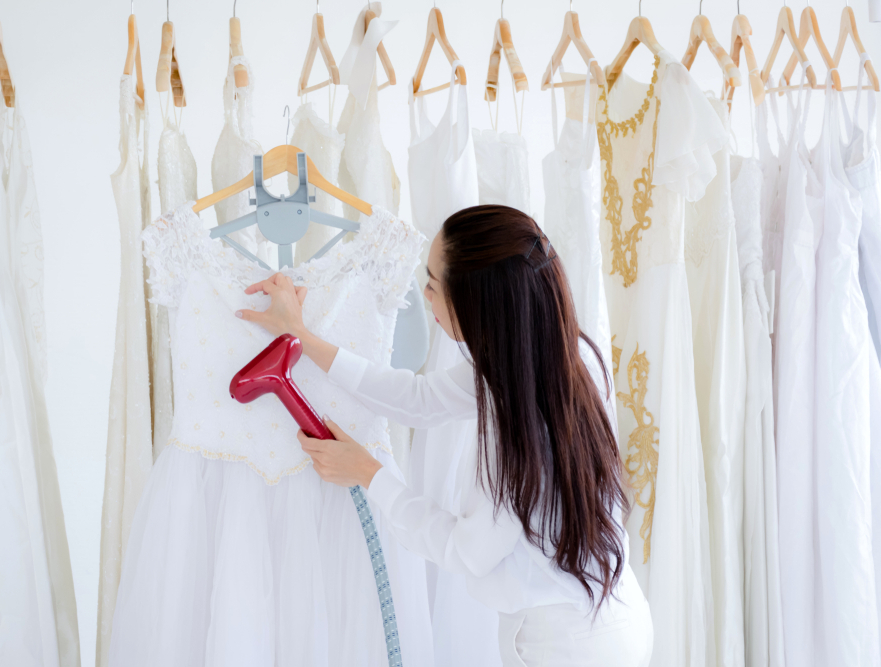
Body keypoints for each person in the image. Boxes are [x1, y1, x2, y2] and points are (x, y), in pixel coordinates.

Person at [237, 205, 653, 667]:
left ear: (475, 304)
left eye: (434, 284)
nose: (425, 294)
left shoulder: (513, 423)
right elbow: (417, 399)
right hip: (616, 615)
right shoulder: (554, 354)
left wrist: (369, 474)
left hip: (567, 647)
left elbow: (467, 550)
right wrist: (301, 337)